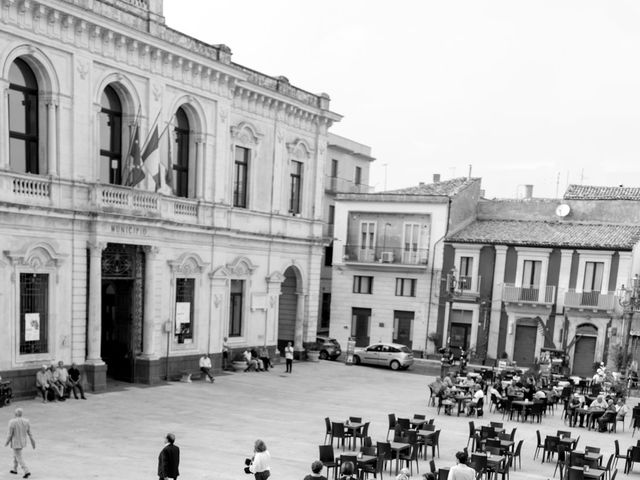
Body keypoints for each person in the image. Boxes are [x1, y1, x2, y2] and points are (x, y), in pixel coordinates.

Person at [5, 408, 35, 479]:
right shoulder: (26, 421)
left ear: (15, 414)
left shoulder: (12, 422)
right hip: (22, 442)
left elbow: (10, 434)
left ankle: (26, 471)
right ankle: (15, 469)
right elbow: (29, 433)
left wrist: (7, 442)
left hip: (16, 442)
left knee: (19, 457)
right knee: (15, 455)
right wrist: (33, 441)